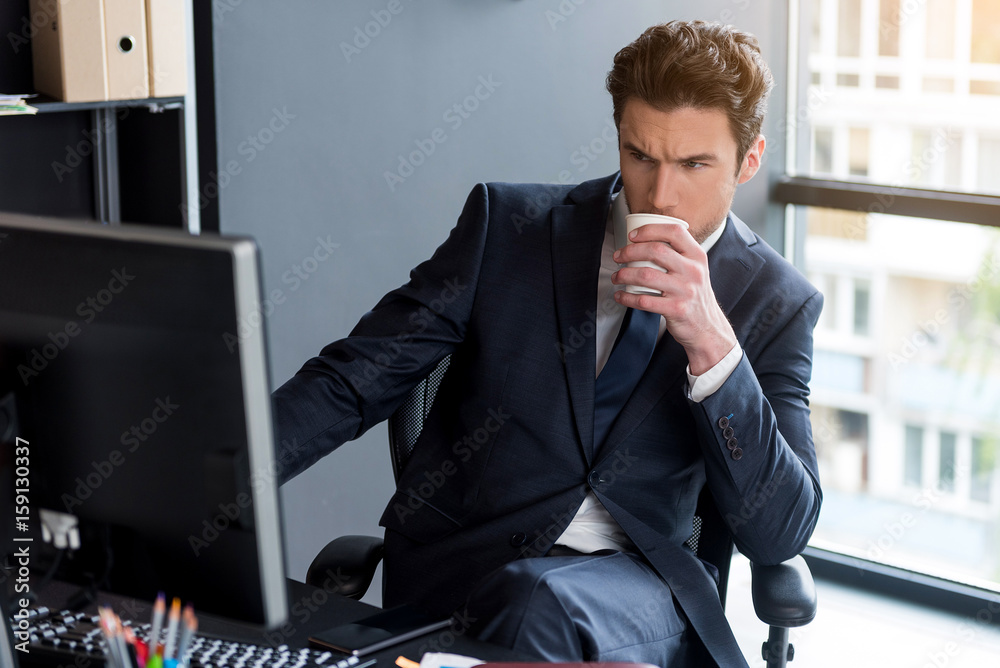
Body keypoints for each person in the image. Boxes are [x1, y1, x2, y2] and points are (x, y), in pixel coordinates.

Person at [273, 19, 822, 667]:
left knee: (542, 602)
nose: (660, 194)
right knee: (528, 600)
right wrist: (218, 478)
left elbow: (778, 531)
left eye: (694, 164)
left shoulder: (777, 302)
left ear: (749, 160)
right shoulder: (507, 227)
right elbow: (353, 380)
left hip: (635, 593)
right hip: (466, 577)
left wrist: (713, 345)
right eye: (640, 156)